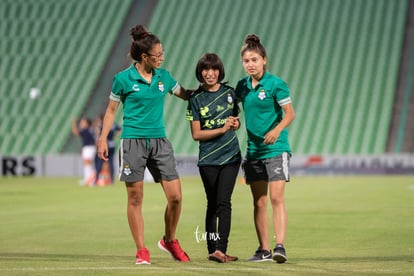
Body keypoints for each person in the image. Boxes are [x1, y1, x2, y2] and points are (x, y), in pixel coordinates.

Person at [97, 24, 191, 265]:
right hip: (132, 142)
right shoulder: (122, 79)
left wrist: (212, 92)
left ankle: (169, 240)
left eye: (162, 53)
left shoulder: (165, 77)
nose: (162, 58)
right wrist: (102, 138)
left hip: (160, 142)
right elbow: (110, 111)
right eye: (157, 55)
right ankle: (141, 250)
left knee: (176, 197)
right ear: (144, 57)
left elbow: (186, 94)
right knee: (136, 198)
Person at [235, 34, 296, 263]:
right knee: (258, 201)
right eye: (246, 61)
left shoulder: (276, 84)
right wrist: (234, 120)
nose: (250, 64)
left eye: (254, 60)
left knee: (276, 197)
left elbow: (290, 114)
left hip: (276, 148)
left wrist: (277, 130)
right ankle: (264, 250)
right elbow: (235, 109)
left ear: (264, 60)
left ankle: (280, 247)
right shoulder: (242, 86)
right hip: (253, 151)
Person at [186, 53, 241, 263]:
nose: (210, 73)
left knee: (224, 203)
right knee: (212, 203)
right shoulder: (195, 99)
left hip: (231, 156)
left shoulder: (230, 93)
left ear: (220, 71)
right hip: (208, 158)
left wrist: (235, 125)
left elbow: (235, 121)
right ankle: (212, 249)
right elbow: (196, 134)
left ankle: (220, 250)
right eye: (206, 70)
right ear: (200, 72)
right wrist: (222, 128)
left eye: (214, 69)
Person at [94, 114, 121, 185]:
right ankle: (112, 181)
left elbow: (97, 134)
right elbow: (120, 129)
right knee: (111, 163)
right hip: (112, 144)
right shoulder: (113, 125)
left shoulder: (101, 125)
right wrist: (115, 136)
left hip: (104, 145)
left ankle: (96, 179)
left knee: (99, 162)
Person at [71, 117, 96, 186]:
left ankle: (90, 180)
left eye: (83, 122)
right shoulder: (91, 130)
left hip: (88, 148)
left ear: (87, 123)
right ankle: (87, 179)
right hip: (90, 148)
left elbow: (75, 131)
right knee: (88, 164)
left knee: (87, 164)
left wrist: (74, 124)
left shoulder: (86, 130)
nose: (81, 123)